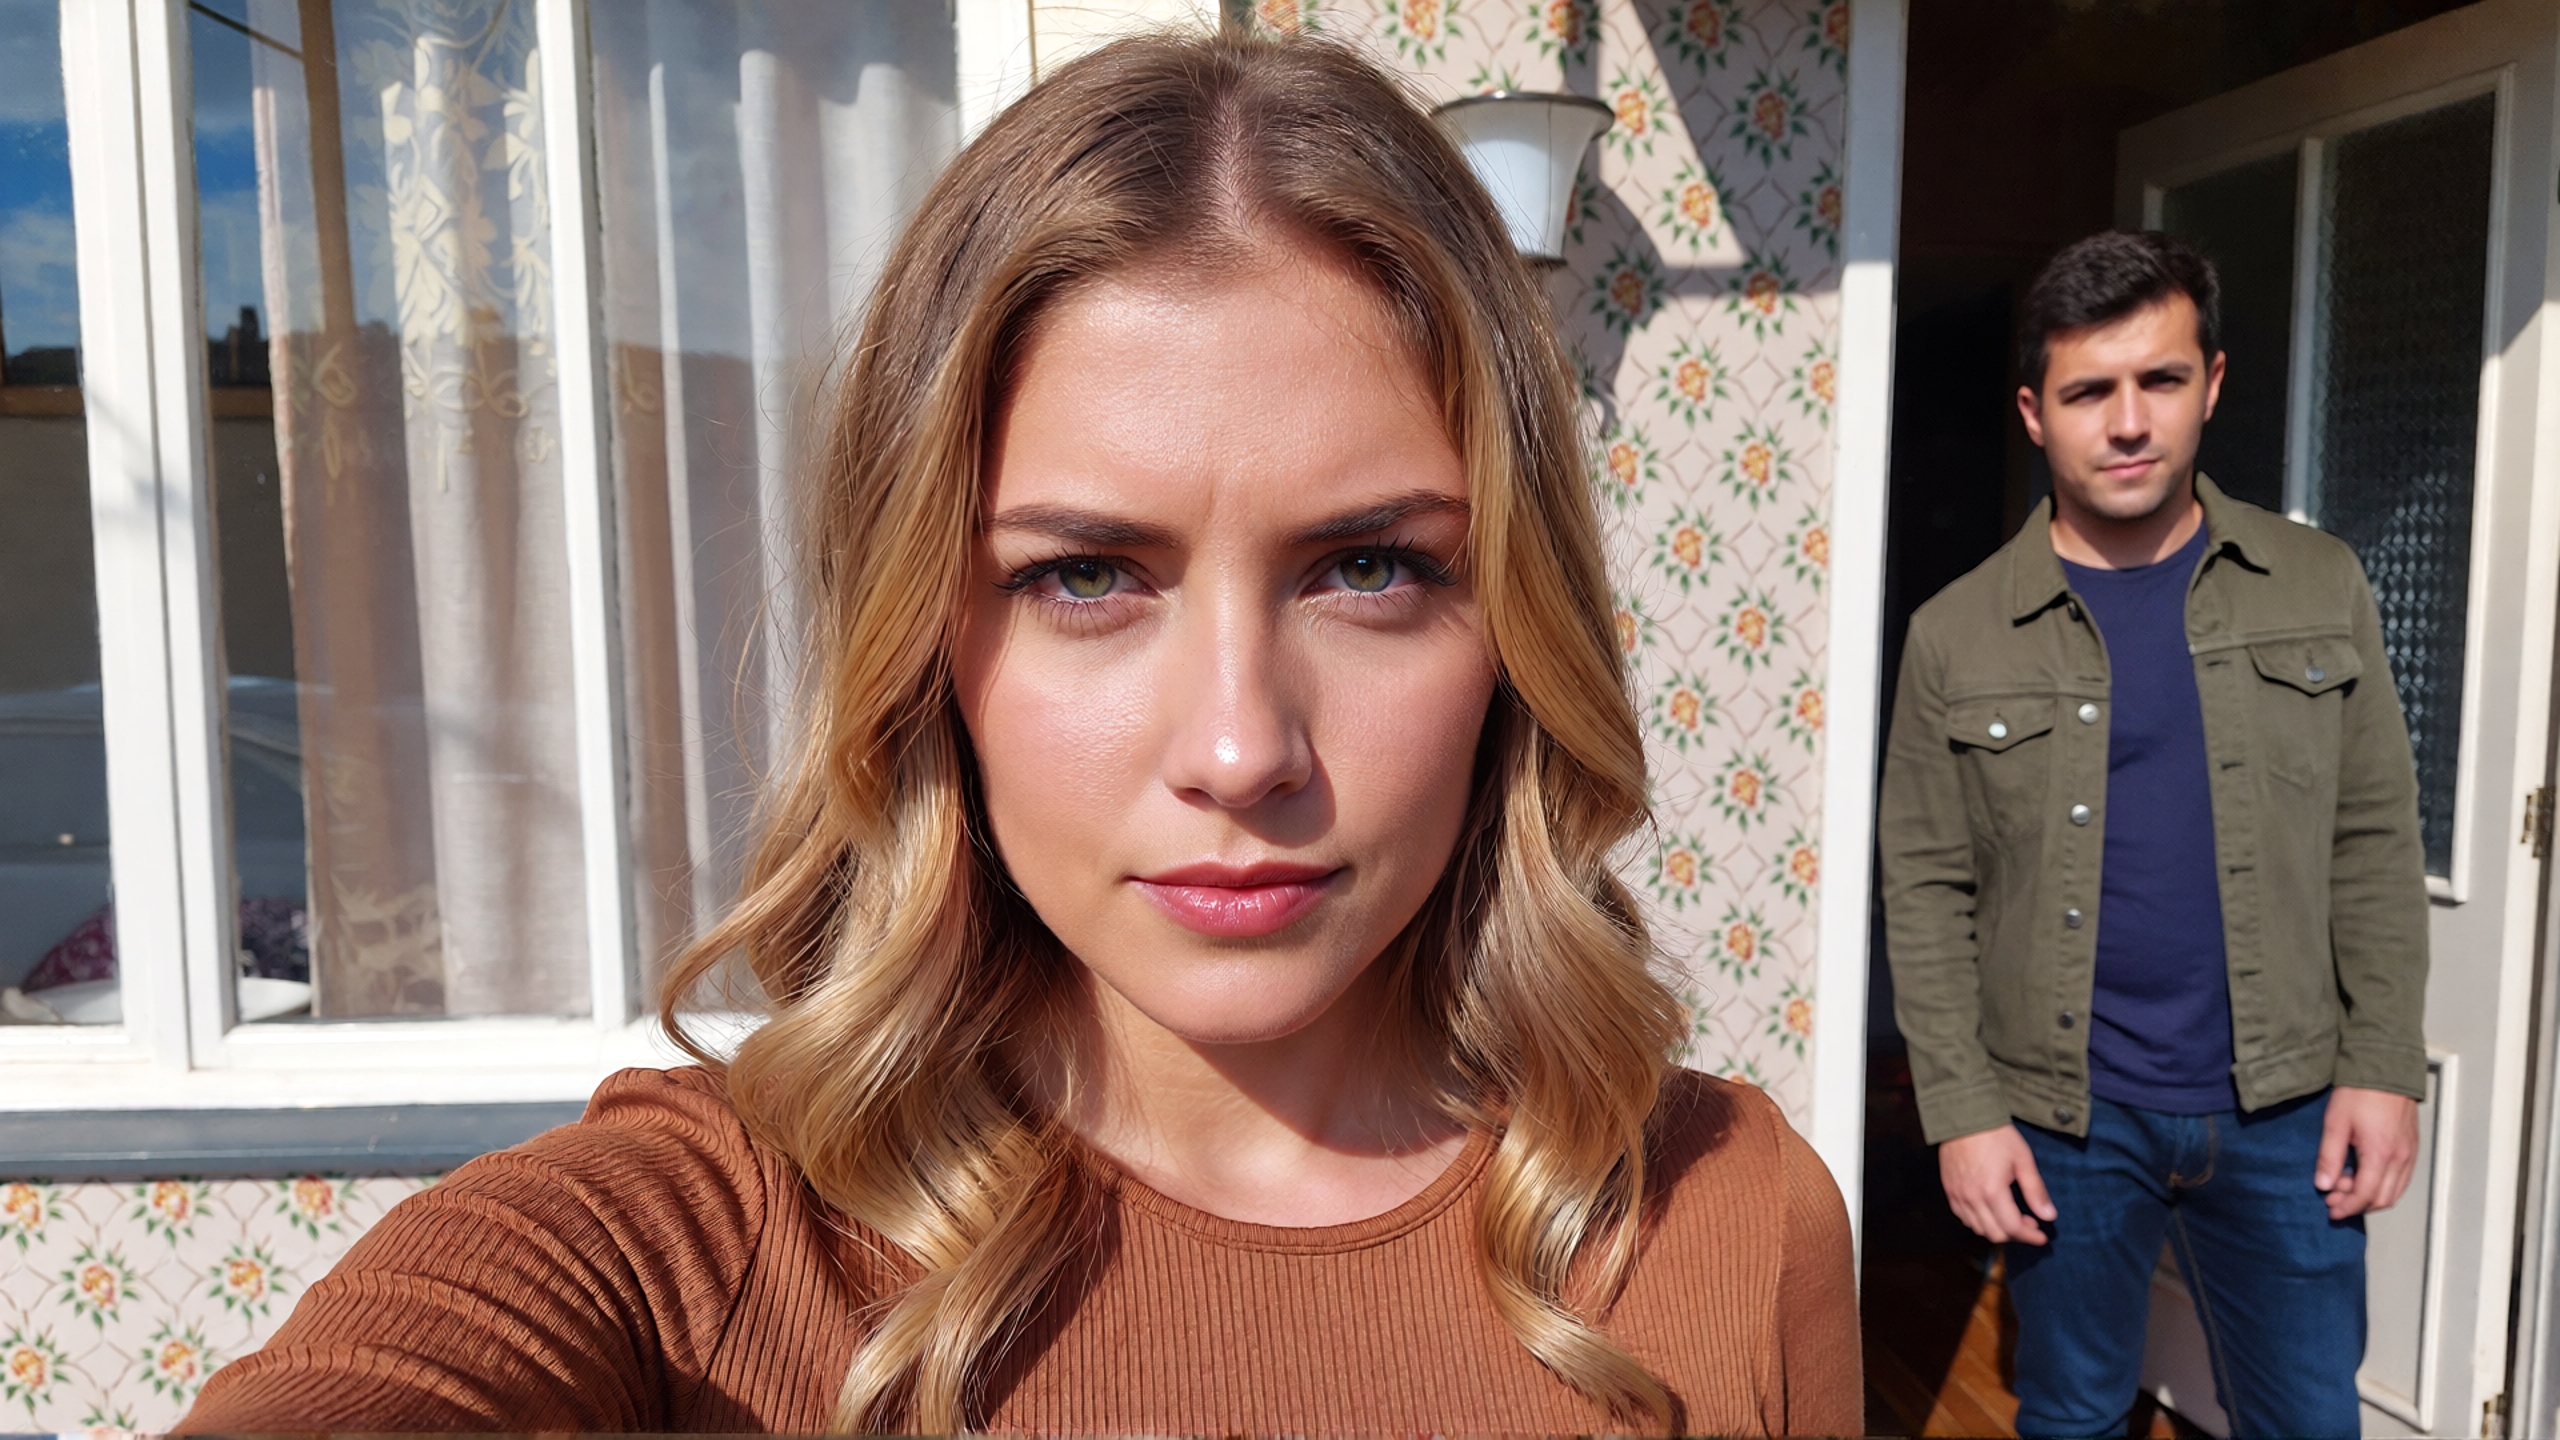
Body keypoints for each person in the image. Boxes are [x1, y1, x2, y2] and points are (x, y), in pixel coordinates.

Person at [181, 31, 1858, 1437]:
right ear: (925, 641)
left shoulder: (1735, 1218)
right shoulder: (689, 1249)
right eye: (1084, 577)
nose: (1238, 751)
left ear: (1516, 625)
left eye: (1369, 568)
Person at [1879, 230, 2430, 1438]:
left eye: (2160, 380)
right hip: (2062, 1115)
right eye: (2089, 391)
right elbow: (1923, 887)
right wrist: (1963, 1112)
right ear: (2034, 413)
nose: (2128, 423)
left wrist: (2384, 1066)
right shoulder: (1955, 634)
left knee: (2307, 1419)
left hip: (2287, 1107)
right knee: (2072, 1414)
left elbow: (2374, 841)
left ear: (2211, 384)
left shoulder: (2317, 584)